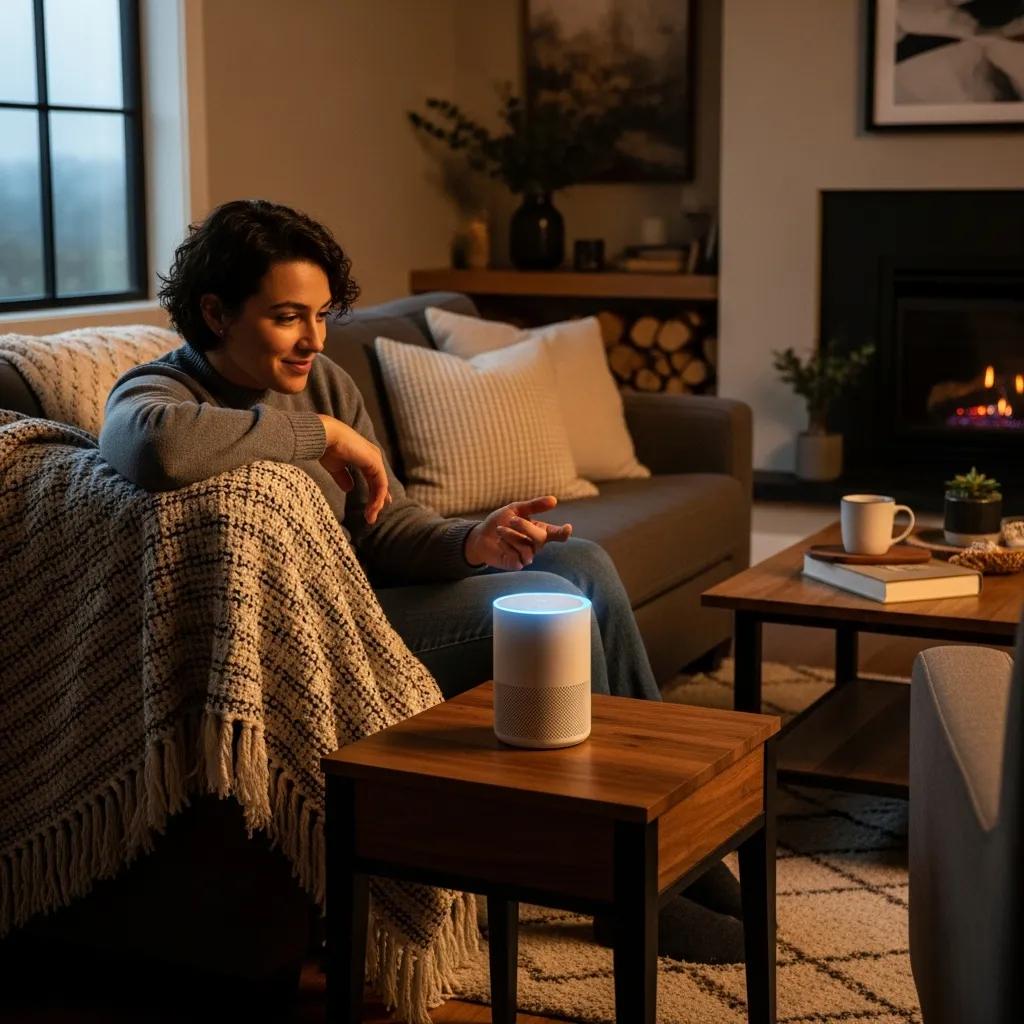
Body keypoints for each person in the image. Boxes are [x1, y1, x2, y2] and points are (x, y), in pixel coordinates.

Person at [98, 198, 743, 961]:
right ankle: (617, 882)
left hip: (380, 599)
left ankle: (673, 835)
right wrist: (324, 434)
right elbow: (152, 453)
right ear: (215, 312)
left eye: (322, 314)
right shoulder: (162, 393)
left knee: (584, 565)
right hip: (324, 642)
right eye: (286, 317)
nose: (313, 339)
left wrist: (476, 541)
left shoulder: (324, 378)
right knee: (553, 610)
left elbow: (390, 526)